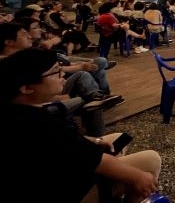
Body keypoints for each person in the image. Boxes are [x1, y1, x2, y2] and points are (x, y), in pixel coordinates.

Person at [0, 48, 161, 202]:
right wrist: (138, 177)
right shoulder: (41, 124)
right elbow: (96, 161)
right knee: (150, 161)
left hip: (62, 166)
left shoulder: (17, 108)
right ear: (27, 88)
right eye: (55, 71)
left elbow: (71, 147)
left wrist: (94, 141)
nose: (62, 74)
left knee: (116, 140)